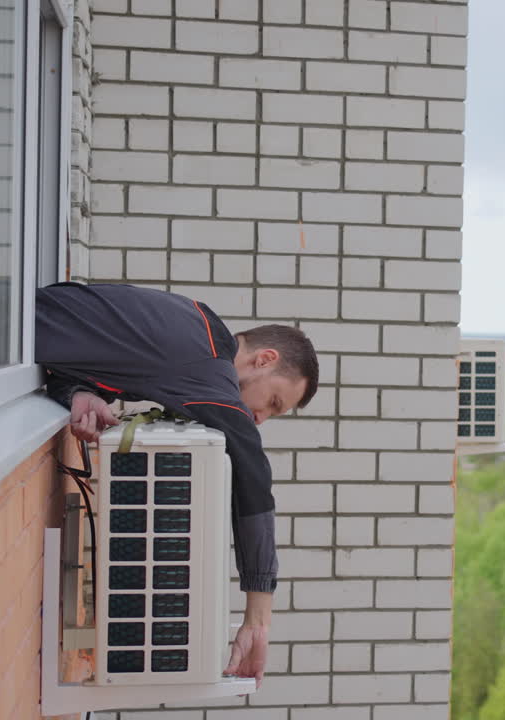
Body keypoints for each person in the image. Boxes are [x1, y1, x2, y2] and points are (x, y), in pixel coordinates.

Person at [36, 282, 319, 689]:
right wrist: (258, 618)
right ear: (264, 359)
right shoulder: (206, 363)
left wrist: (79, 392)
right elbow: (252, 471)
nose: (260, 418)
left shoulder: (194, 326)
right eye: (273, 402)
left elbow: (78, 349)